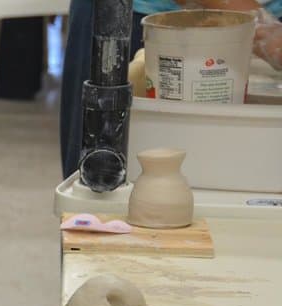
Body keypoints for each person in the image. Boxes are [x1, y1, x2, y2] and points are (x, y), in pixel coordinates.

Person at [60, 0, 282, 179]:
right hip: (130, 17)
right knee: (104, 177)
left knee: (232, 169)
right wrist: (258, 21)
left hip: (262, 19)